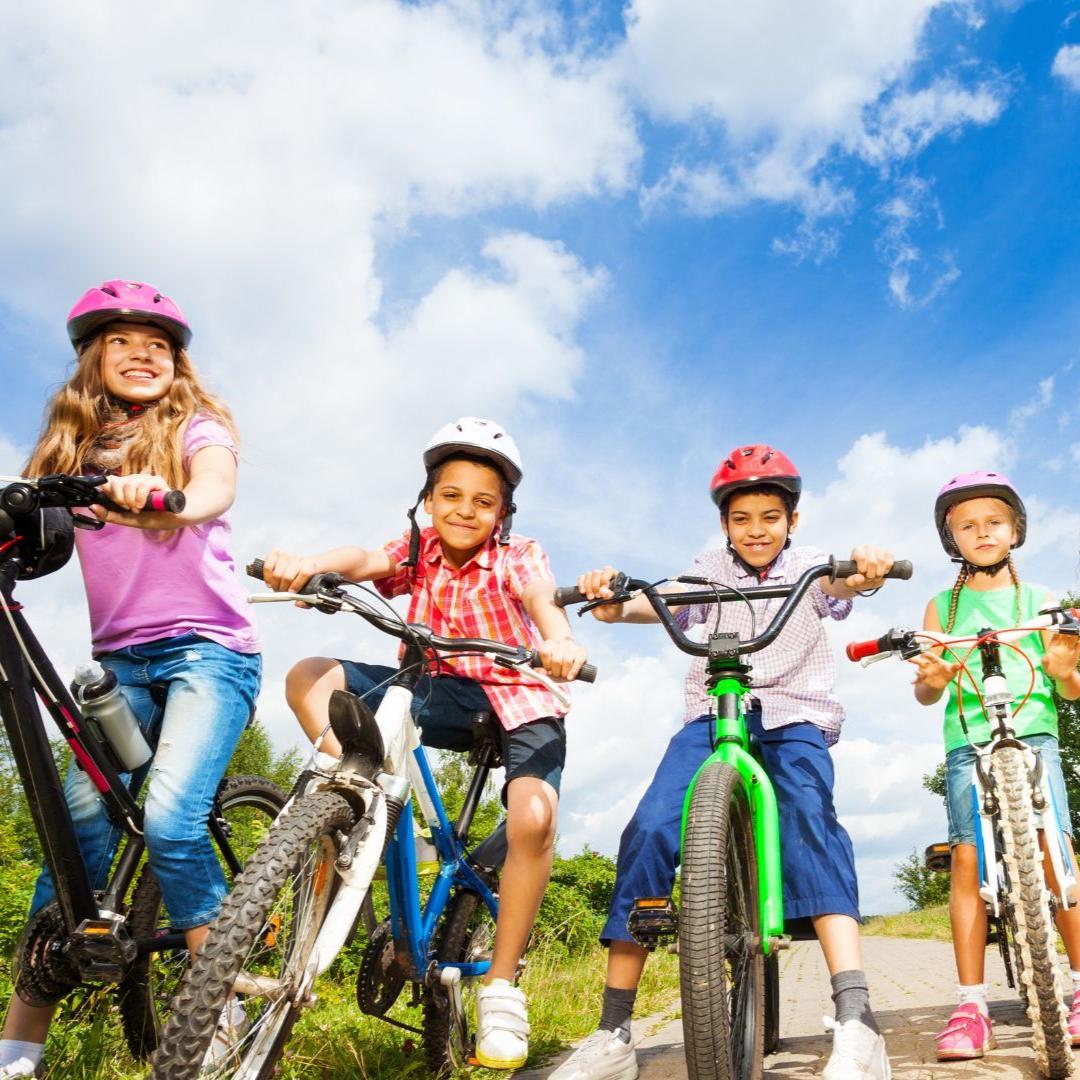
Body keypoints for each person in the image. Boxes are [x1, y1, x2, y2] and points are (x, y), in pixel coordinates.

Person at [554, 444, 895, 1080]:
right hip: (714, 717)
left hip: (794, 716)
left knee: (809, 822)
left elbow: (845, 584)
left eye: (770, 517)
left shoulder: (810, 570)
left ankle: (857, 1020)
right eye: (742, 519)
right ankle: (613, 1032)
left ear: (791, 520)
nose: (757, 530)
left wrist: (867, 570)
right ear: (724, 525)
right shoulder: (710, 572)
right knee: (651, 826)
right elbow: (657, 602)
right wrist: (607, 599)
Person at [260, 416, 588, 1070]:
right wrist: (311, 566)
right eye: (451, 496)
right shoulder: (420, 549)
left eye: (483, 501)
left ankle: (499, 986)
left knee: (531, 819)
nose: (464, 511)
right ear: (429, 500)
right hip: (435, 688)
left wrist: (560, 639)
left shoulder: (519, 556)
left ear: (503, 512)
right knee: (308, 676)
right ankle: (356, 805)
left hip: (516, 699)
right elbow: (364, 560)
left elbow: (541, 599)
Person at [0, 281, 261, 1079]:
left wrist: (169, 501)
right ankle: (18, 1050)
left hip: (209, 652)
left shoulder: (195, 428)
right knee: (72, 827)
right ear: (93, 359)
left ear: (175, 361)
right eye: (123, 342)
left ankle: (224, 1013)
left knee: (174, 819)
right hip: (121, 664)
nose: (142, 354)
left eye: (158, 344)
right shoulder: (70, 453)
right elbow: (26, 528)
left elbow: (216, 484)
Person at [911, 471, 1080, 1060]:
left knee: (1055, 851)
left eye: (994, 522)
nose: (982, 532)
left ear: (1015, 529)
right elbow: (927, 690)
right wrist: (932, 679)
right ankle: (970, 1003)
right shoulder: (942, 605)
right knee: (966, 858)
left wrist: (1062, 670)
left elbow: (1074, 686)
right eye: (967, 526)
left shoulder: (1041, 602)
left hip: (1033, 734)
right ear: (951, 538)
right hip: (968, 739)